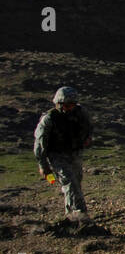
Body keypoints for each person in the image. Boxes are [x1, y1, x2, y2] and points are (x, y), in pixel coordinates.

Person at [34, 86, 93, 219]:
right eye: (67, 105)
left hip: (74, 153)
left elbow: (89, 127)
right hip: (57, 155)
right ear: (59, 103)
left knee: (76, 183)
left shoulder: (80, 113)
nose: (70, 107)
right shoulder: (49, 119)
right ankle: (79, 215)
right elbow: (40, 144)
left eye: (72, 104)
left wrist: (87, 138)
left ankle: (71, 214)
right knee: (70, 183)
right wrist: (43, 166)